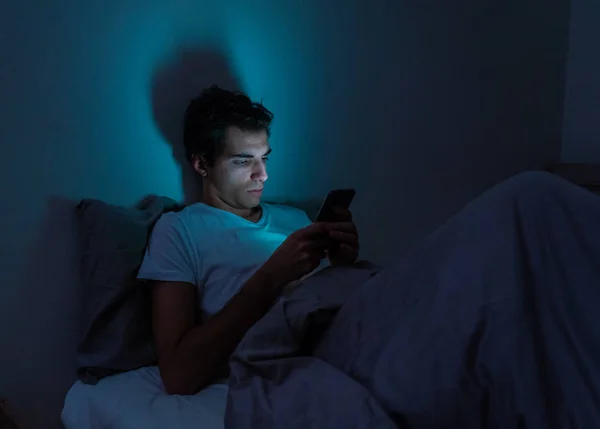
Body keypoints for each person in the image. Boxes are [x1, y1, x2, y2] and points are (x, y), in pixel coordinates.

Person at [137, 85, 360, 395]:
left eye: (264, 158)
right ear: (202, 164)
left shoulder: (296, 218)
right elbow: (178, 375)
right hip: (304, 362)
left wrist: (343, 266)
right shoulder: (178, 231)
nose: (263, 175)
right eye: (243, 161)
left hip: (353, 335)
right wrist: (271, 278)